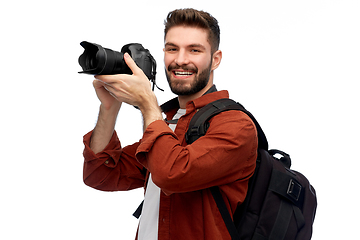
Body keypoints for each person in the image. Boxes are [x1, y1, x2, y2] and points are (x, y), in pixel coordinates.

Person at [83, 8, 258, 240]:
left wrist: (147, 104)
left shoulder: (236, 125)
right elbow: (100, 174)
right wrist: (109, 107)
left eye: (194, 50)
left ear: (215, 60)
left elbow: (172, 174)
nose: (180, 60)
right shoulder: (170, 123)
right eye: (172, 49)